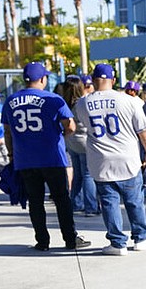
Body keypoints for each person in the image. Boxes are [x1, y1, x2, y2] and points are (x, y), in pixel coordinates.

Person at [1, 62, 89, 251]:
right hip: (52, 157)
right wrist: (59, 135)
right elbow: (70, 126)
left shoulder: (10, 101)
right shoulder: (53, 99)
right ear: (42, 79)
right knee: (61, 199)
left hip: (25, 159)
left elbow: (7, 132)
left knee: (35, 200)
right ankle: (70, 239)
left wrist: (11, 154)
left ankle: (42, 241)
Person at [76, 63, 146, 255]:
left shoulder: (82, 103)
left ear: (94, 81)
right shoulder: (128, 100)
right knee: (134, 200)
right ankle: (141, 238)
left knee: (109, 202)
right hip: (127, 158)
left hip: (101, 160)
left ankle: (117, 242)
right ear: (113, 80)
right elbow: (143, 130)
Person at [61, 77, 100, 217]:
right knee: (88, 174)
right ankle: (91, 207)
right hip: (84, 140)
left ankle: (76, 204)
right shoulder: (82, 103)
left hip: (71, 141)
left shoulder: (64, 103)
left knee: (77, 173)